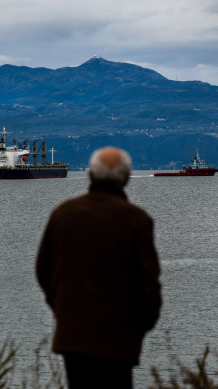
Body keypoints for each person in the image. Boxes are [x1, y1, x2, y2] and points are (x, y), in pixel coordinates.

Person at [36, 146, 162, 389]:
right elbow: (148, 284)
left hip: (72, 335)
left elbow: (43, 271)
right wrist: (139, 325)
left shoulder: (62, 214)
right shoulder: (137, 219)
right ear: (127, 177)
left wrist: (63, 309)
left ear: (90, 175)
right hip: (120, 338)